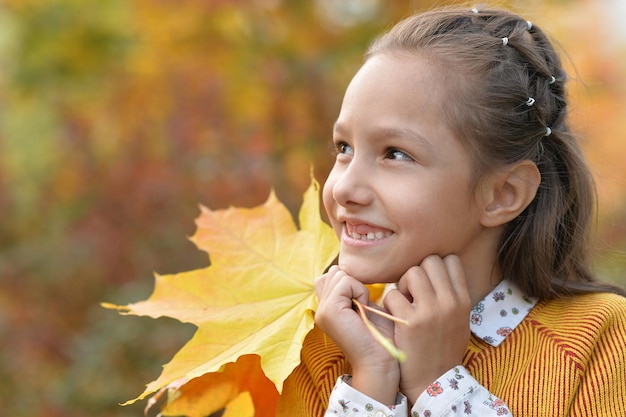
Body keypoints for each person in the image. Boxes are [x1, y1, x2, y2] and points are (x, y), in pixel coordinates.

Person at [275, 5, 626, 417]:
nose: (346, 188)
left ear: (503, 194)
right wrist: (371, 380)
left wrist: (439, 385)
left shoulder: (599, 341)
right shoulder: (322, 344)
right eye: (344, 148)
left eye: (395, 154)